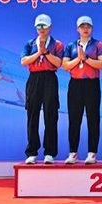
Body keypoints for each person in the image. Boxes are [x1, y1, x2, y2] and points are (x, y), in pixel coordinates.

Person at [61, 16, 102, 165]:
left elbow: (101, 64)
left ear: (91, 28)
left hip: (92, 85)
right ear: (77, 29)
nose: (85, 29)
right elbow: (65, 66)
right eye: (82, 26)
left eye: (88, 26)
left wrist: (85, 58)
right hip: (75, 85)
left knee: (93, 119)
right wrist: (78, 59)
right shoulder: (70, 46)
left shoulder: (98, 45)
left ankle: (92, 153)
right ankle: (73, 153)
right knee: (74, 119)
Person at [20, 14, 64, 164]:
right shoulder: (30, 43)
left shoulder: (57, 44)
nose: (41, 29)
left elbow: (58, 63)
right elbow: (24, 61)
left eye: (44, 26)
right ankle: (32, 152)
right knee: (32, 114)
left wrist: (45, 52)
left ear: (50, 27)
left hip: (49, 78)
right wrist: (39, 52)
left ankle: (49, 152)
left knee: (50, 115)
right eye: (39, 26)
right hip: (34, 79)